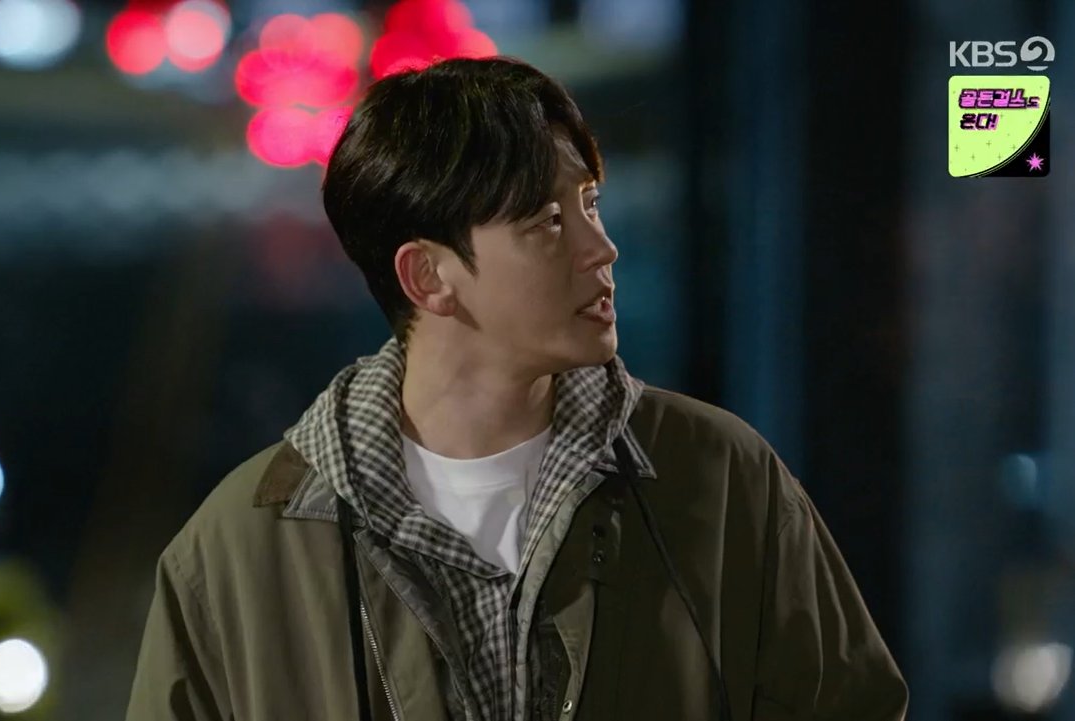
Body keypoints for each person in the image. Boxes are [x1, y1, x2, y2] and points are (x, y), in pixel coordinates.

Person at [125, 57, 908, 721]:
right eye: (546, 223)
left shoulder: (719, 477)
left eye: (589, 204)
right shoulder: (240, 545)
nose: (601, 248)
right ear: (428, 276)